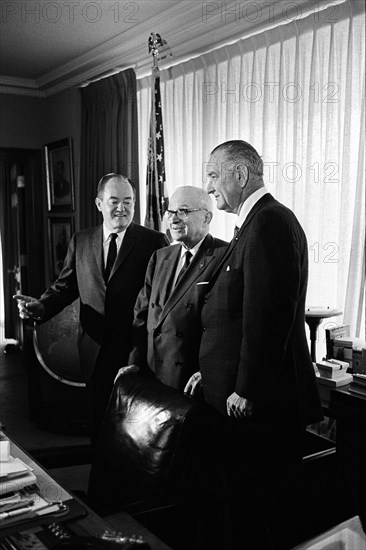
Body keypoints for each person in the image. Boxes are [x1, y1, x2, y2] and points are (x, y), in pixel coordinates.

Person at [185, 140, 323, 546]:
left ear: (240, 175)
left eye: (213, 174)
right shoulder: (255, 223)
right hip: (241, 399)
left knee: (264, 515)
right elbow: (233, 317)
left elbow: (267, 318)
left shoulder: (269, 223)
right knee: (243, 508)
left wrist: (246, 389)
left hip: (261, 407)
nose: (208, 186)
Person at [14, 174, 169, 442]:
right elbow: (64, 287)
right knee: (98, 429)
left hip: (135, 352)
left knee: (135, 435)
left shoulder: (153, 242)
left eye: (128, 201)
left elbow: (161, 300)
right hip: (93, 351)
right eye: (114, 201)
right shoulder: (81, 240)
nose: (122, 208)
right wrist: (39, 307)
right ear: (99, 204)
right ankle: (99, 482)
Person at [119, 186, 228, 391]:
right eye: (170, 212)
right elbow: (141, 316)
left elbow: (225, 328)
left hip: (192, 381)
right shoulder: (160, 256)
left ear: (207, 218)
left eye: (183, 211)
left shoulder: (224, 256)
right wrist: (134, 362)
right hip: (153, 375)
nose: (173, 219)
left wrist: (209, 371)